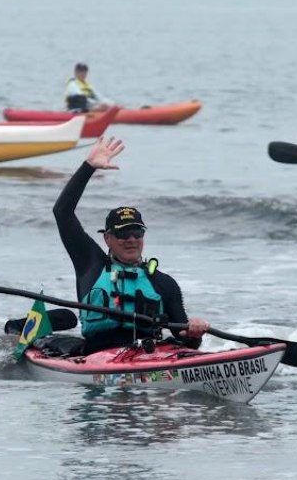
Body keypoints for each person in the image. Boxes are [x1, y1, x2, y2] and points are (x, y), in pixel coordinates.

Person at [53, 136, 209, 354]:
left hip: (146, 358)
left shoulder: (163, 283)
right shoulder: (91, 264)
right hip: (96, 356)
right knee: (63, 328)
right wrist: (88, 167)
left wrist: (194, 332)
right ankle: (23, 329)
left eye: (137, 232)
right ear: (107, 238)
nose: (131, 239)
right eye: (123, 233)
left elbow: (186, 342)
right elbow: (62, 213)